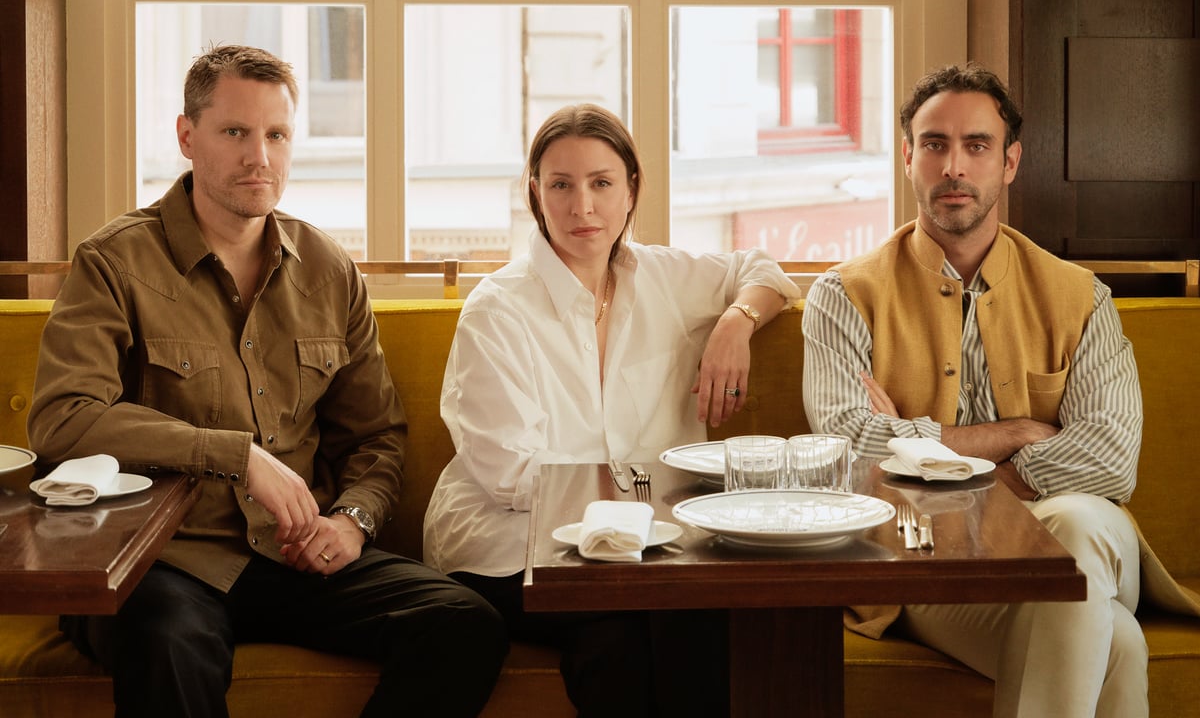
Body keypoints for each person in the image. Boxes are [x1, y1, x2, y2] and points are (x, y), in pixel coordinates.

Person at [27, 44, 507, 718]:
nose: (260, 156)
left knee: (464, 623)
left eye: (277, 135)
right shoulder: (112, 261)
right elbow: (62, 419)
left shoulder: (328, 268)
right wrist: (234, 456)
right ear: (186, 136)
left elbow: (376, 438)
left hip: (293, 562)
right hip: (161, 564)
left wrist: (353, 520)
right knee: (165, 643)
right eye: (235, 133)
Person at [423, 103, 801, 716]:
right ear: (535, 194)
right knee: (672, 617)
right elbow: (516, 478)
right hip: (510, 549)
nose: (582, 208)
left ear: (632, 191)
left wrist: (736, 321)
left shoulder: (664, 277)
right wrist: (655, 506)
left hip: (642, 552)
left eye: (601, 183)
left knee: (637, 637)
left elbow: (761, 269)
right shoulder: (497, 309)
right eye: (561, 186)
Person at [802, 62, 1147, 717]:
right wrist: (1017, 434)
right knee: (1117, 645)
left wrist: (928, 468)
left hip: (1072, 537)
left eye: (976, 146)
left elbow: (1109, 458)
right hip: (926, 569)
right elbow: (846, 450)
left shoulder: (1081, 298)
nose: (952, 166)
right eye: (934, 144)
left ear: (1009, 163)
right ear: (907, 157)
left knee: (1075, 524)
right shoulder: (843, 296)